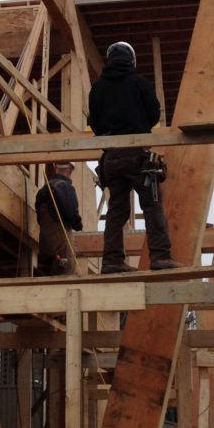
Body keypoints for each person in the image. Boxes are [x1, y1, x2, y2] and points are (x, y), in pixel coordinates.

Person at [88, 41, 181, 274]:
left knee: (116, 210)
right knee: (151, 205)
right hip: (138, 154)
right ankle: (160, 257)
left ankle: (111, 261)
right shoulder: (139, 83)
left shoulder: (98, 88)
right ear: (132, 60)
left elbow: (95, 124)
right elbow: (153, 113)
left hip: (111, 157)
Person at [34, 162, 83, 275]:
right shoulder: (65, 187)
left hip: (46, 246)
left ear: (56, 169)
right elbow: (71, 214)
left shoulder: (43, 191)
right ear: (70, 170)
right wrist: (78, 224)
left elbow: (39, 219)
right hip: (61, 246)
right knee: (65, 279)